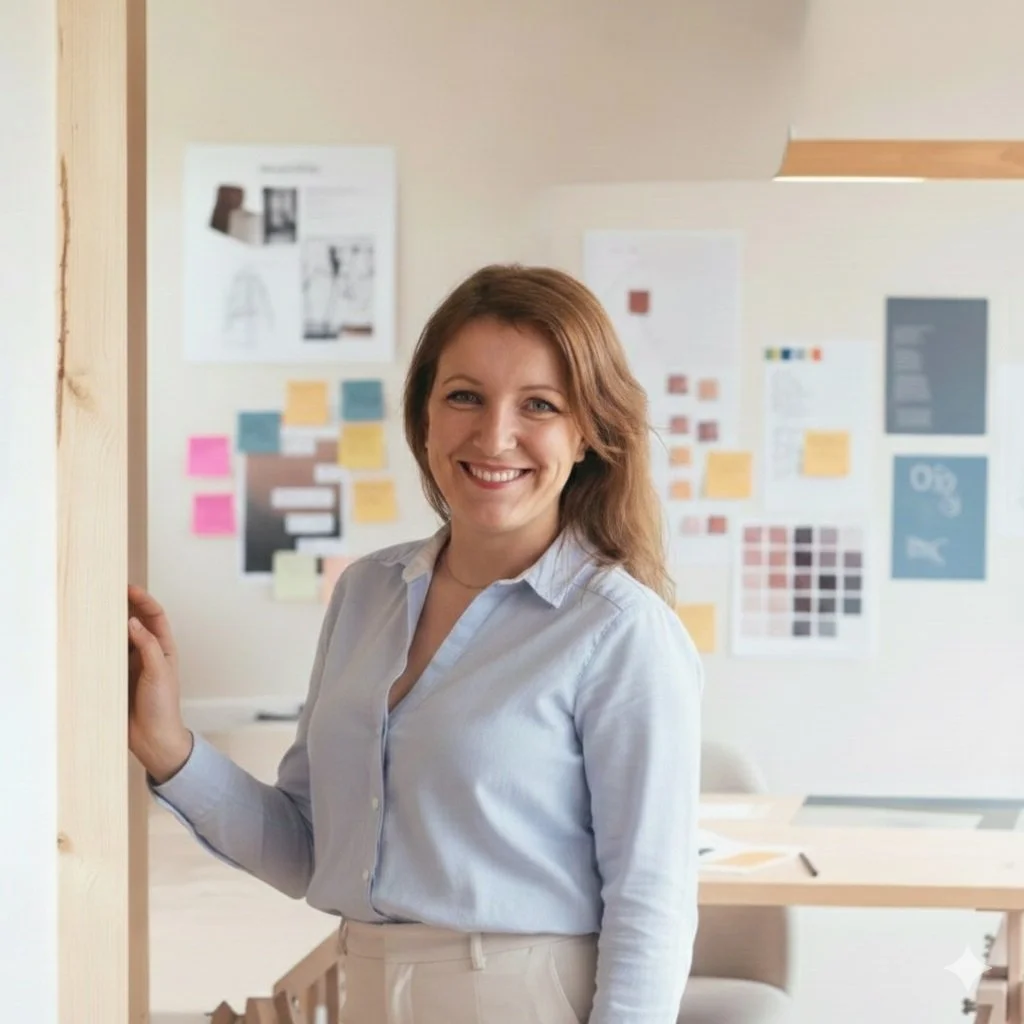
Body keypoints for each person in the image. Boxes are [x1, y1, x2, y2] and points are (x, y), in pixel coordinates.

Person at [129, 264, 704, 1023]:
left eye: (539, 404)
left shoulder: (620, 631)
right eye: (464, 395)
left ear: (587, 433)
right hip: (364, 987)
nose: (494, 435)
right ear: (425, 416)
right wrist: (170, 746)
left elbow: (651, 903)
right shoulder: (369, 592)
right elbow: (307, 849)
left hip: (524, 999)